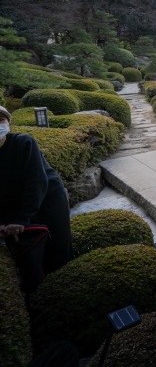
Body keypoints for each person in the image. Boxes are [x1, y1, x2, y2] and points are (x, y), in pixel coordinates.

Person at [0, 106, 74, 291]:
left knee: (57, 246)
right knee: (27, 252)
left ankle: (64, 287)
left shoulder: (24, 143)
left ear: (8, 123)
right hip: (15, 200)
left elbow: (36, 183)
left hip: (49, 199)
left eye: (1, 120)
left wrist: (22, 218)